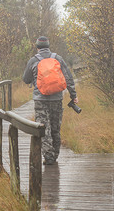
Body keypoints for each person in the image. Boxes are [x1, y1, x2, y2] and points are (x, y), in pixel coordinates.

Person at [23, 36, 78, 165]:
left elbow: (26, 79)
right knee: (55, 128)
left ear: (37, 47)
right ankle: (55, 154)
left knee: (43, 128)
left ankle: (48, 157)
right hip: (57, 99)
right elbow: (68, 78)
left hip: (40, 100)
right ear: (48, 46)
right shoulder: (58, 59)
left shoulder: (33, 60)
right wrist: (73, 95)